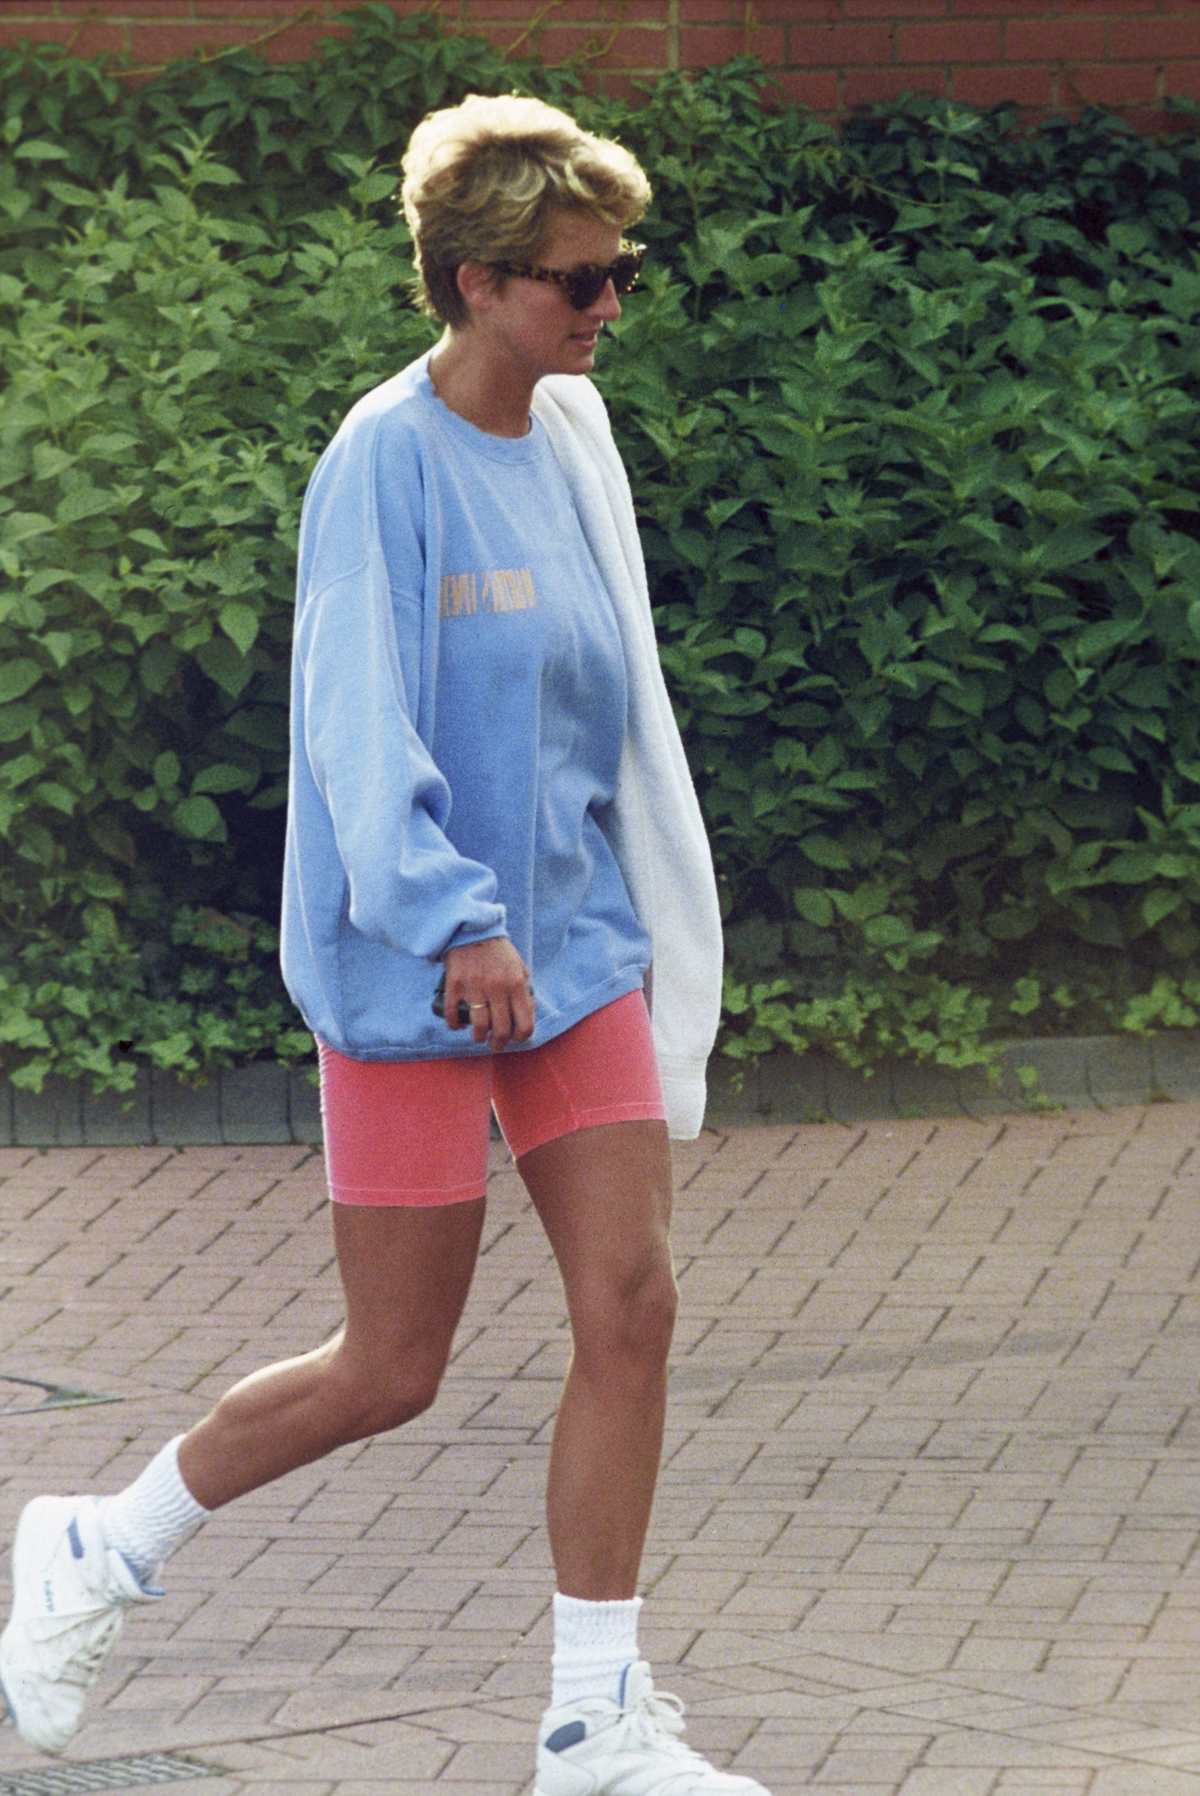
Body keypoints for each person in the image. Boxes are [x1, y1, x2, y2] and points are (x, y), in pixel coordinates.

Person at [0, 93, 768, 1795]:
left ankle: (592, 1719)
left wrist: (569, 928)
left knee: (629, 1305)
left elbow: (608, 716)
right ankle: (97, 1546)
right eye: (579, 280)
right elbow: (359, 735)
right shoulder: (381, 465)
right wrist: (449, 922)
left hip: (572, 958)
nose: (609, 307)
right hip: (417, 976)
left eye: (619, 270)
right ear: (480, 283)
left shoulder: (572, 445)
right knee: (391, 1368)